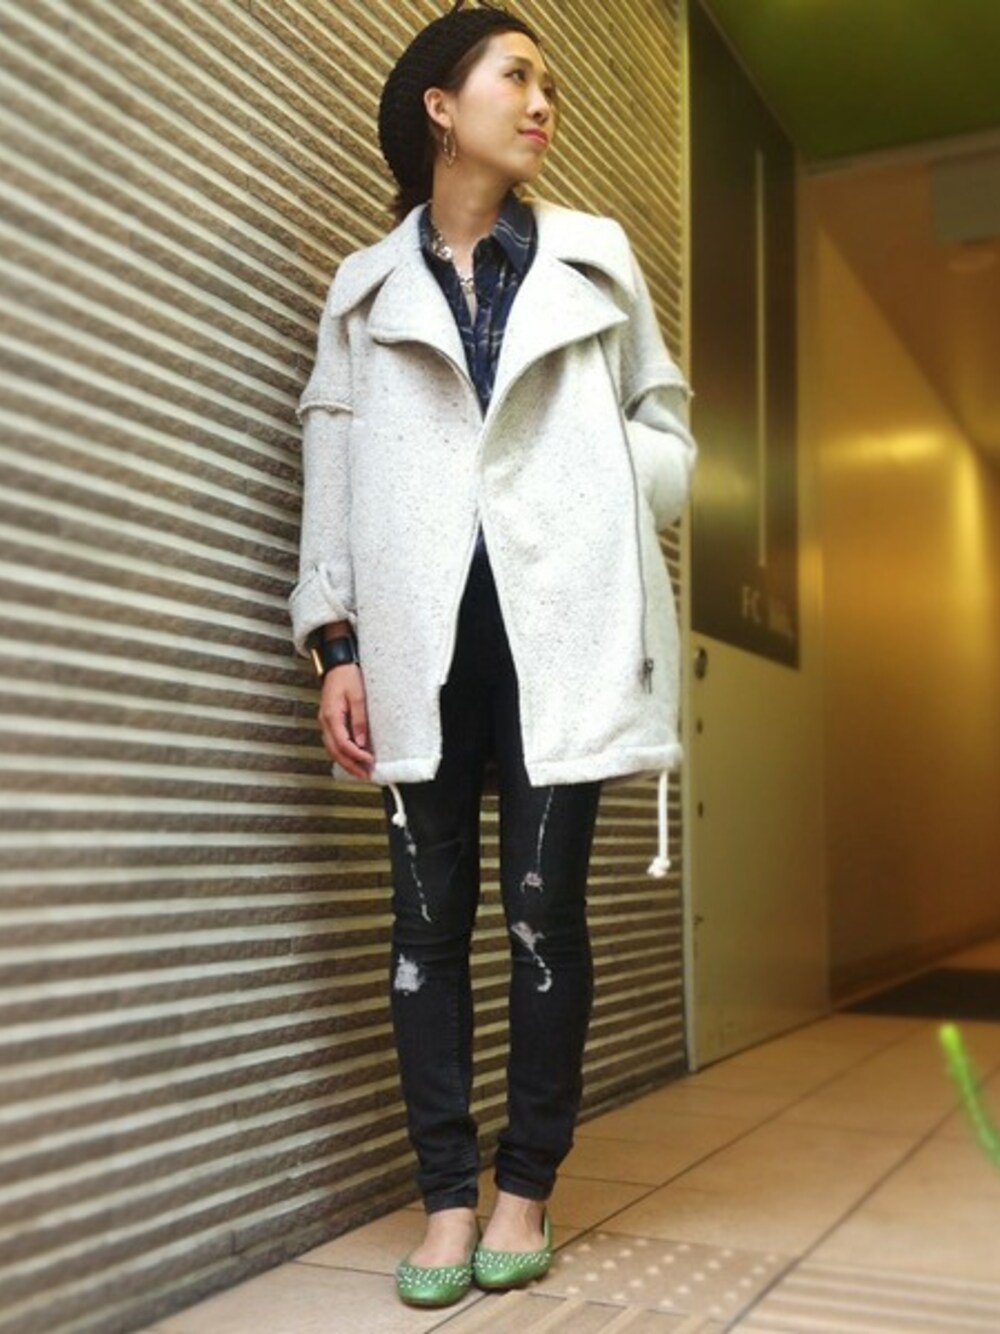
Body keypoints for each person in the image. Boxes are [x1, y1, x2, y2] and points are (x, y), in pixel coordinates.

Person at [290, 0, 696, 1309]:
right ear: (440, 107)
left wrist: (602, 477)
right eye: (515, 76)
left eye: (550, 83)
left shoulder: (596, 256)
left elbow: (667, 430)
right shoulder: (364, 290)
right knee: (424, 924)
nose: (541, 102)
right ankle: (447, 1199)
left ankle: (525, 1186)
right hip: (421, 641)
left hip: (557, 629)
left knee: (540, 914)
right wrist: (335, 644)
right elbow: (330, 472)